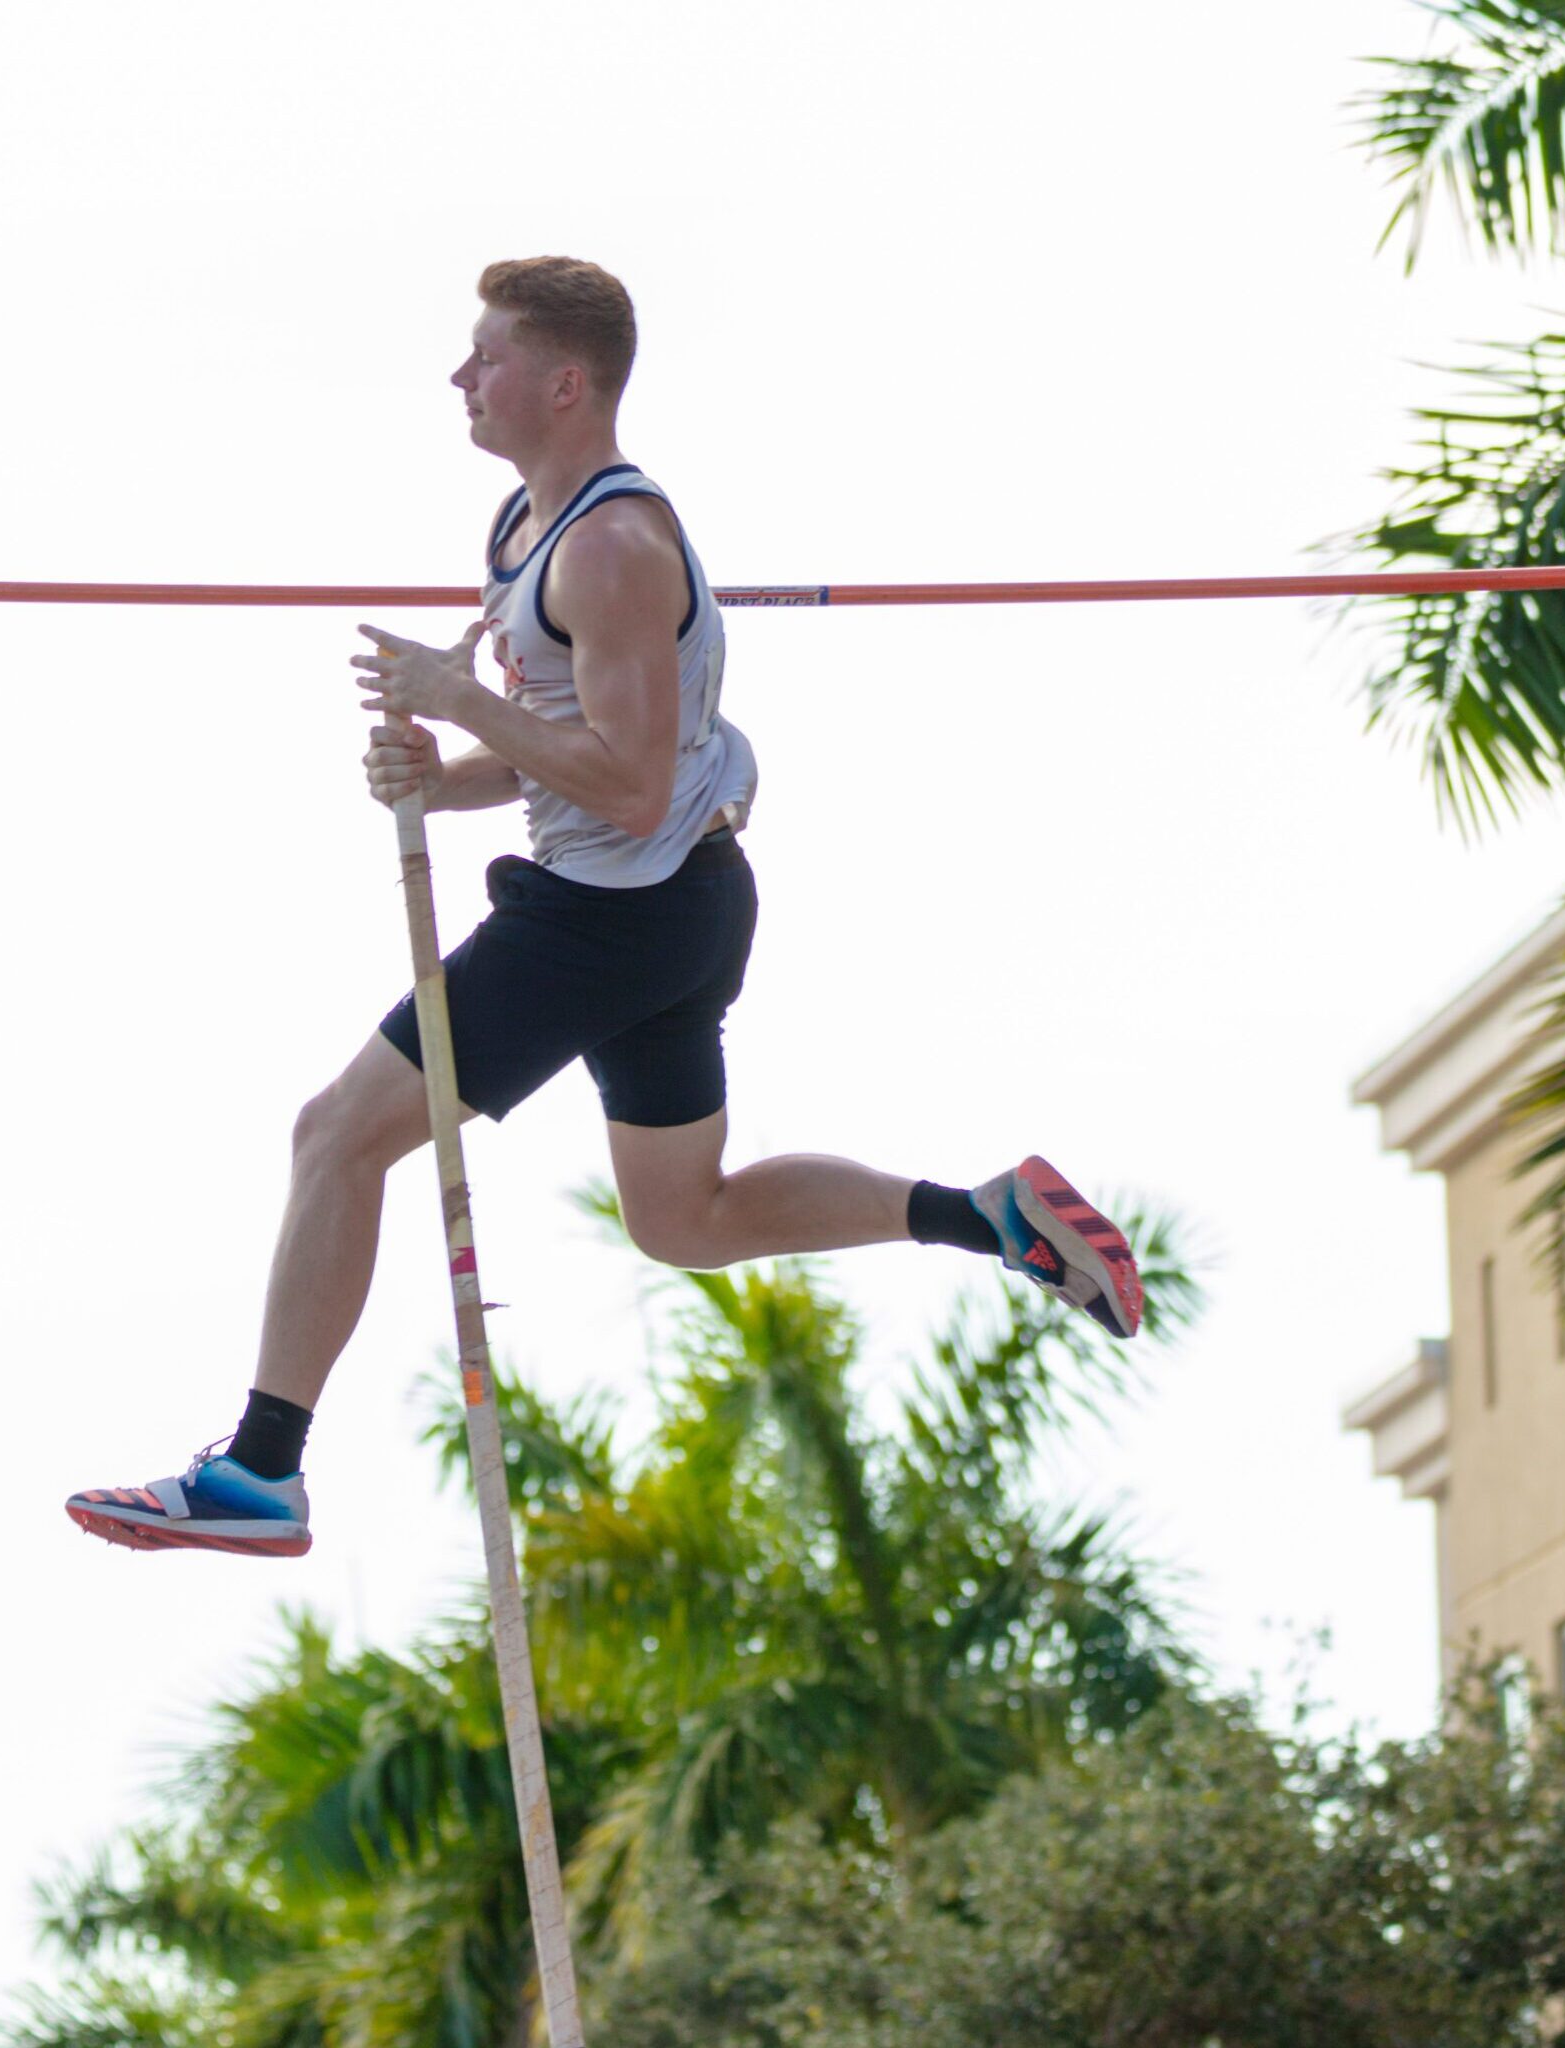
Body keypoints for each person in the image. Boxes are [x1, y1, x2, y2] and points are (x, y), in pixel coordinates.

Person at [66, 257, 1141, 1557]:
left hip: (608, 917)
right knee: (687, 1218)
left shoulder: (617, 550)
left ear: (565, 383)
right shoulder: (526, 532)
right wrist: (441, 778)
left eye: (488, 357)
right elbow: (557, 749)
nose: (461, 377)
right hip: (658, 910)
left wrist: (457, 700)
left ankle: (261, 1472)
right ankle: (985, 1215)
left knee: (335, 1137)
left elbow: (629, 789)